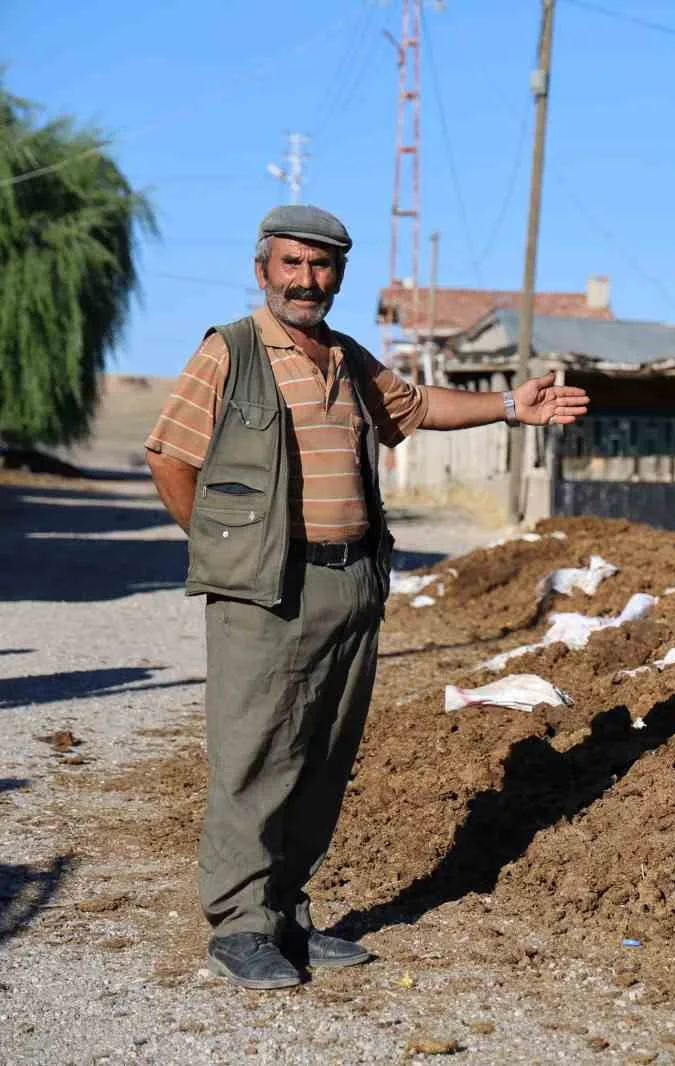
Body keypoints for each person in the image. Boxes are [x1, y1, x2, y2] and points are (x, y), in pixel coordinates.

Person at [144, 205, 588, 990]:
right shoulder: (230, 352)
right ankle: (240, 926)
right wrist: (224, 546)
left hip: (353, 583)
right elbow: (170, 457)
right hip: (266, 589)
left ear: (339, 277)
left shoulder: (346, 357)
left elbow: (412, 409)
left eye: (321, 267)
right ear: (263, 270)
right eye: (291, 264)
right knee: (257, 754)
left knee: (322, 756)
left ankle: (289, 916)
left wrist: (513, 407)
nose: (305, 280)